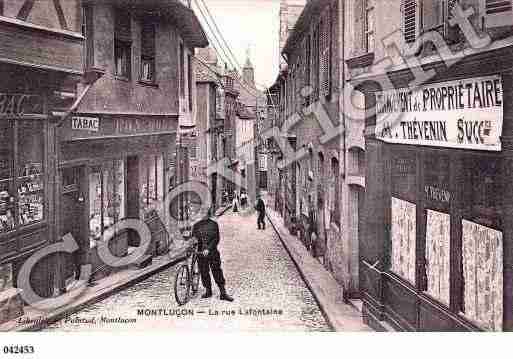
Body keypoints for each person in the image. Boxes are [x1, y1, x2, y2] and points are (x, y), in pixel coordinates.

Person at [192, 208, 234, 302]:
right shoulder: (196, 226)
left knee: (217, 271)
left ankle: (223, 293)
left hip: (213, 253)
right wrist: (192, 244)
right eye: (201, 212)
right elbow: (193, 238)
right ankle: (208, 290)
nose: (203, 215)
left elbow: (216, 239)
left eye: (204, 212)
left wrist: (208, 249)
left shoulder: (214, 224)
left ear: (208, 213)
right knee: (204, 272)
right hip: (201, 253)